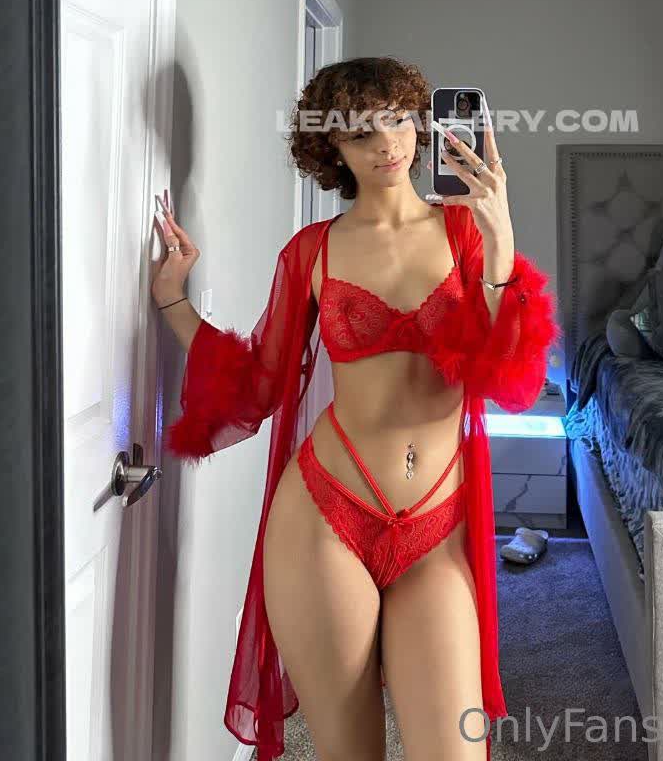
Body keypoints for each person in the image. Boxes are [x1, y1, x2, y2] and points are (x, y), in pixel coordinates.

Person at [152, 57, 561, 761]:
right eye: (361, 132)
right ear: (331, 149)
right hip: (325, 517)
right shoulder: (312, 252)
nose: (388, 144)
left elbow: (513, 384)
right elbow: (259, 385)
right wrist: (173, 301)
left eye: (398, 120)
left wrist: (500, 242)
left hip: (435, 525)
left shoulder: (466, 235)